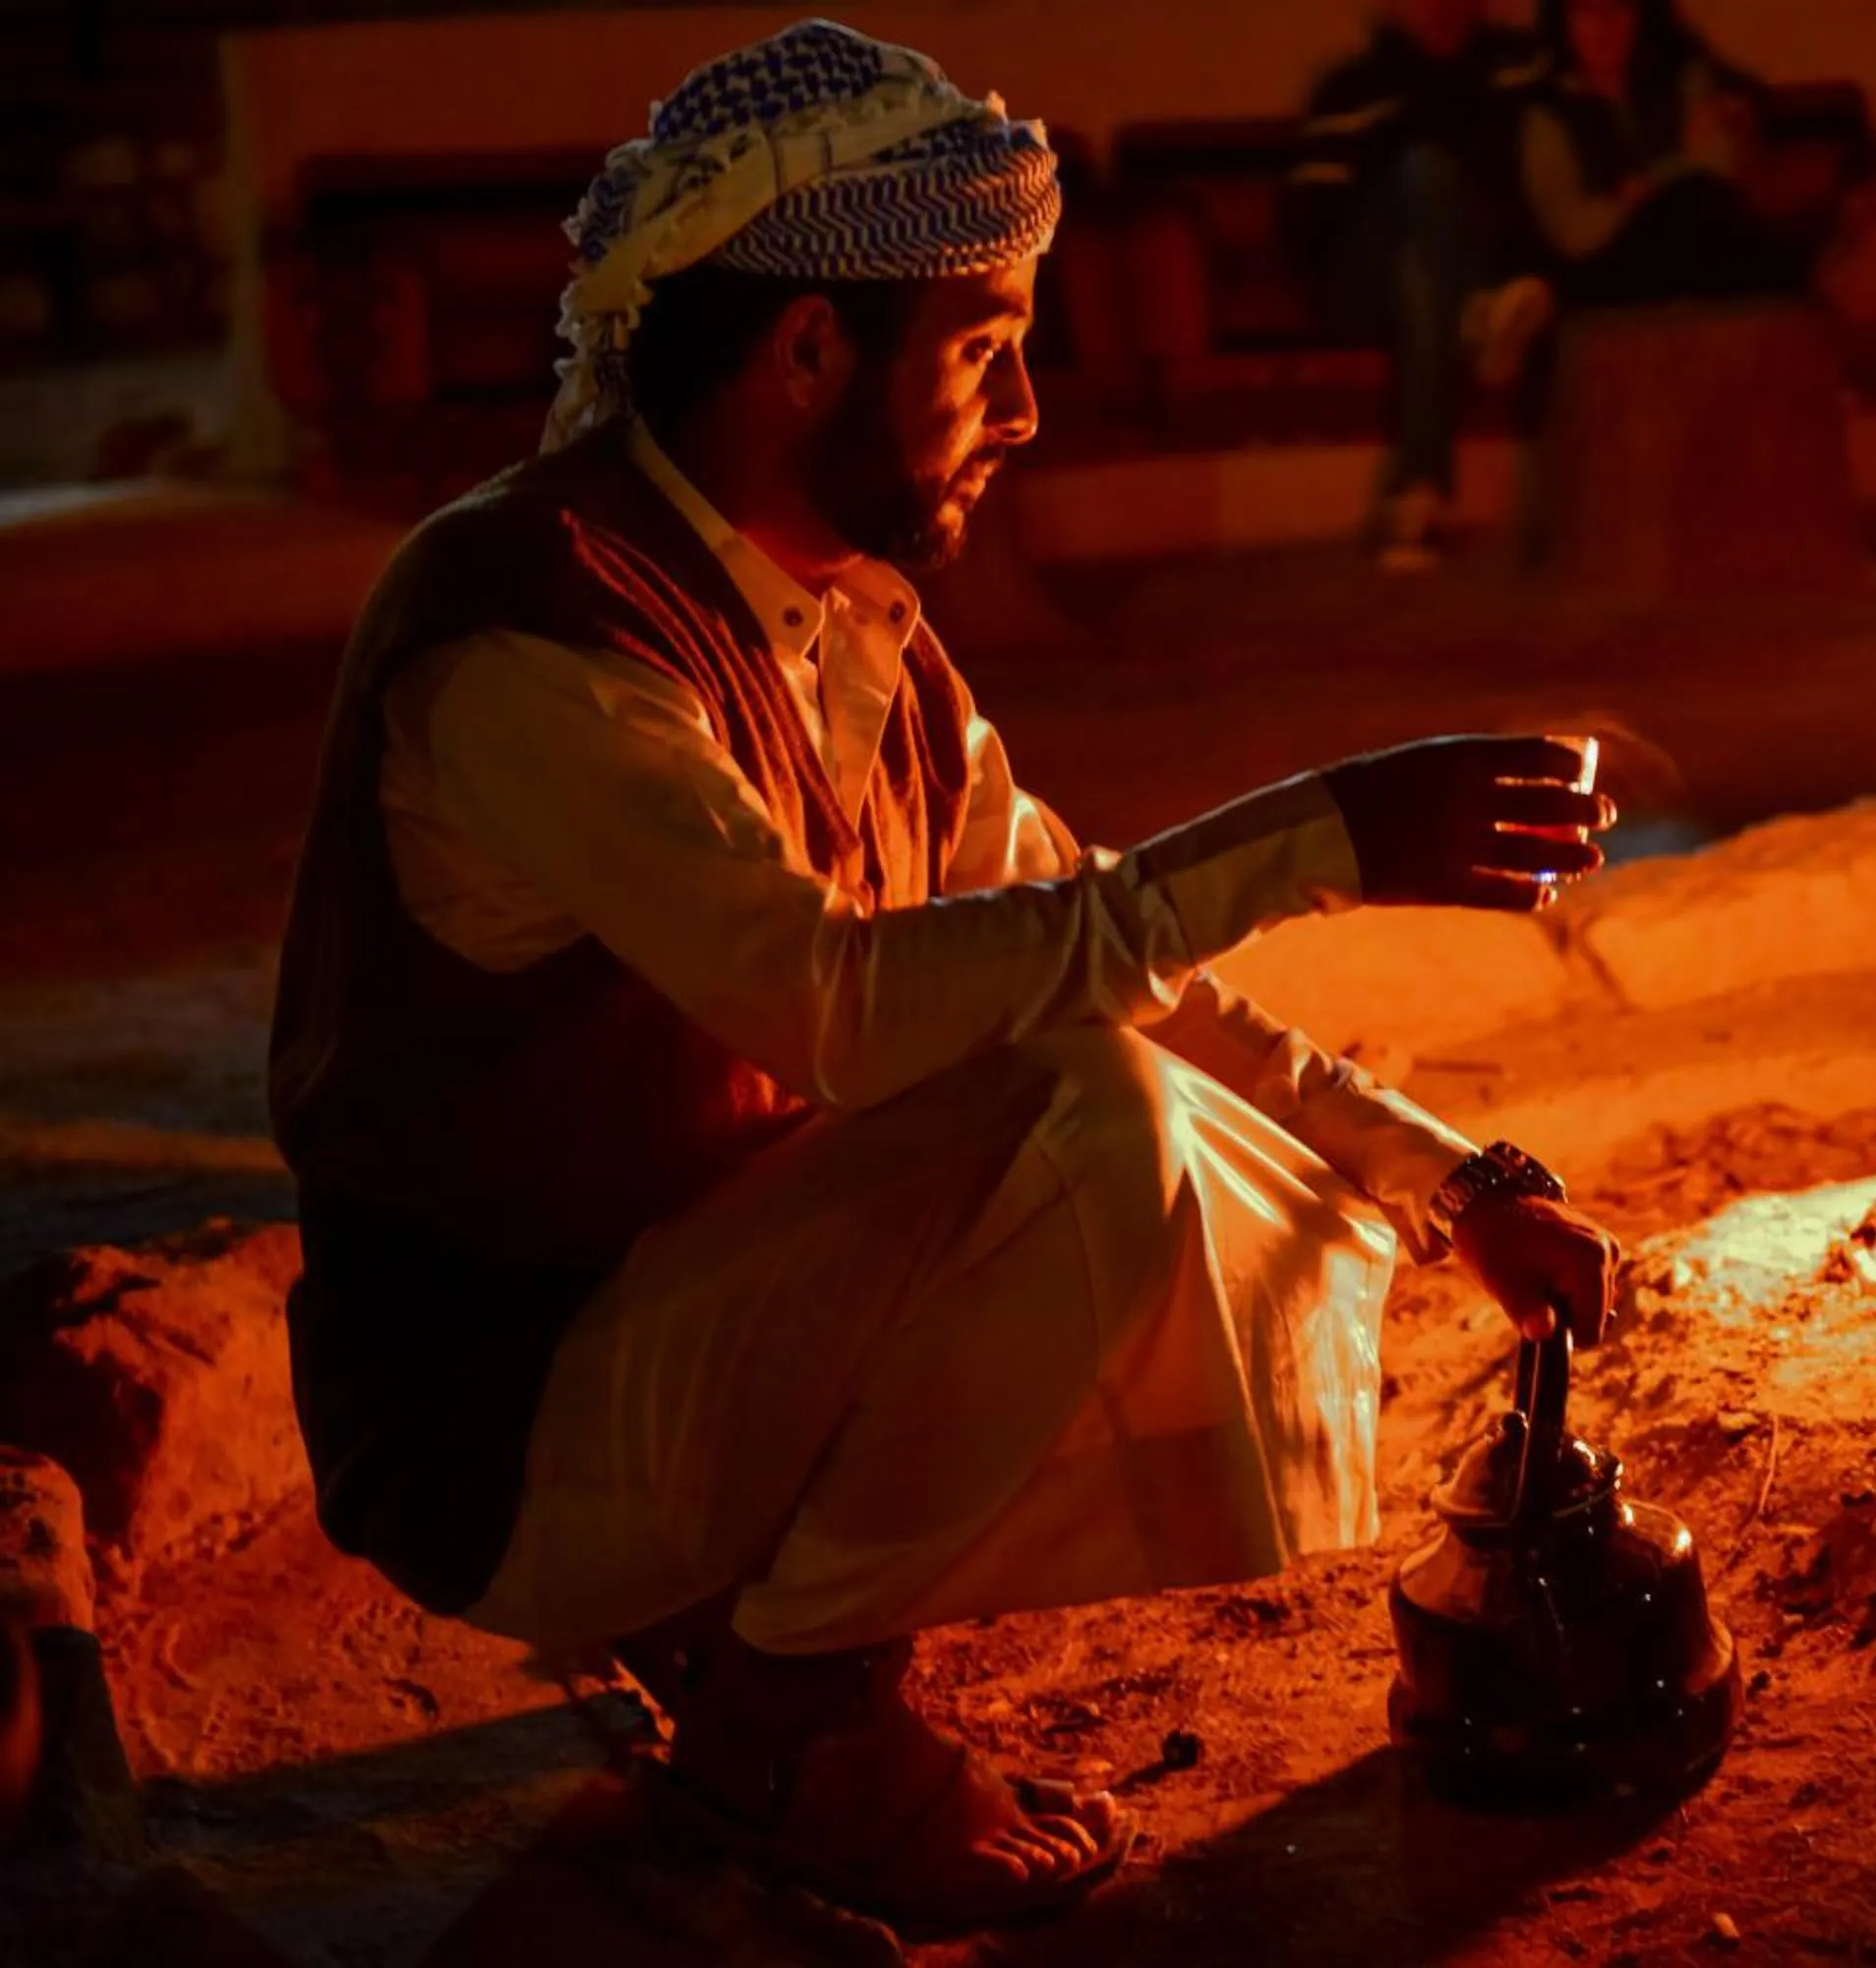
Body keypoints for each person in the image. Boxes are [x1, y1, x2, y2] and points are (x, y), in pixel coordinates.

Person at [266, 21, 1622, 1935]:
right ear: (810, 351)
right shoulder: (534, 642)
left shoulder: (851, 632)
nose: (1030, 410)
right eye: (984, 352)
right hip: (504, 1432)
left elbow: (1098, 940)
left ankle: (740, 1622)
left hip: (677, 1335)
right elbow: (832, 1004)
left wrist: (1452, 1178)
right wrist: (1317, 834)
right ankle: (785, 1734)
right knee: (1086, 1121)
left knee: (1114, 1065)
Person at [1286, 0, 1554, 571]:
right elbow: (1313, 224)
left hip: (1448, 274)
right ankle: (1478, 315)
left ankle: (1421, 494)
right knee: (1423, 179)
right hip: (1364, 286)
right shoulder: (1352, 88)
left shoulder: (1517, 67)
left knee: (1422, 277)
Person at [1516, 0, 1801, 307]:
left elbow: (1716, 166)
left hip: (1701, 239)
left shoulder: (1681, 77)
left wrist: (1646, 186)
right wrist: (1646, 195)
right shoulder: (1547, 115)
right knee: (1695, 208)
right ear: (1563, 23)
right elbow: (1574, 234)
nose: (1603, 26)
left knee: (1703, 206)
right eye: (1586, 11)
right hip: (1610, 268)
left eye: (1618, 8)